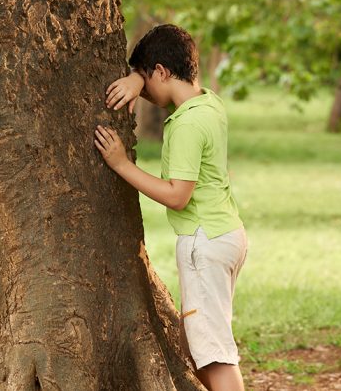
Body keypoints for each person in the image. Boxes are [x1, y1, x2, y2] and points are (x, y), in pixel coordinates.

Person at [93, 24, 247, 391]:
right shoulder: (209, 103)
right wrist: (135, 77)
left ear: (161, 71)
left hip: (203, 241)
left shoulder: (185, 125)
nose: (144, 91)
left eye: (147, 79)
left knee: (213, 354)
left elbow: (179, 196)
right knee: (199, 347)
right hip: (226, 234)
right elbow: (163, 89)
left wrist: (121, 165)